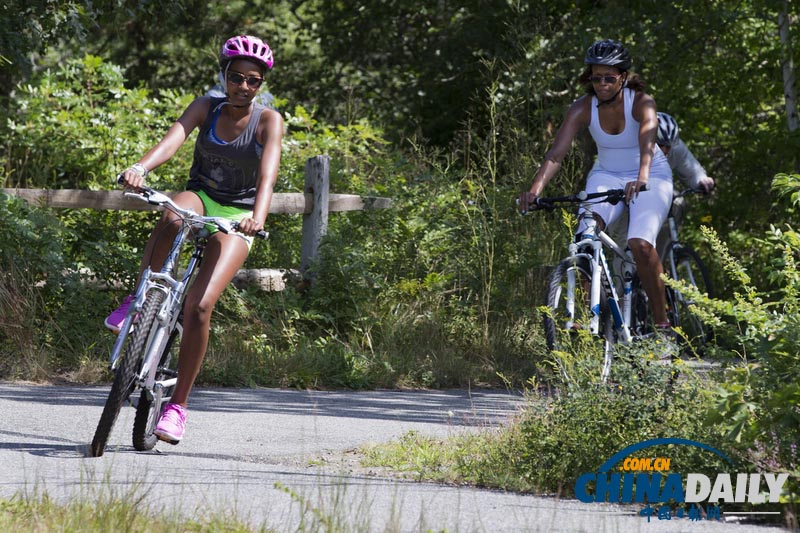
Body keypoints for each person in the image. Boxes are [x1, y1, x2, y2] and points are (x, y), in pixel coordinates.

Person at [105, 34, 283, 444]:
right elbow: (175, 138)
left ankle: (178, 407)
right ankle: (139, 299)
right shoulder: (208, 105)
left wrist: (256, 218)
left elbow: (268, 174)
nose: (242, 86)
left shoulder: (268, 120)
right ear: (224, 75)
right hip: (200, 197)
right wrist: (140, 168)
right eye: (236, 77)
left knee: (200, 306)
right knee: (170, 215)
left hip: (238, 214)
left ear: (261, 84)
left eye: (252, 81)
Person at [518, 39, 673, 330]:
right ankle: (587, 317)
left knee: (639, 244)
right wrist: (534, 191)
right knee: (584, 238)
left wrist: (641, 177)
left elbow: (648, 142)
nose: (601, 83)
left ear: (623, 77)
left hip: (650, 174)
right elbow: (556, 154)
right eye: (595, 77)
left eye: (609, 78)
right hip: (606, 173)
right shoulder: (582, 107)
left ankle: (662, 323)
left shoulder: (641, 102)